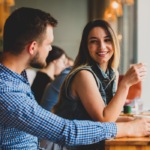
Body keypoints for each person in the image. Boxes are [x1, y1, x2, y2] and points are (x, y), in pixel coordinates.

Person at [0, 7, 150, 150]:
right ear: (32, 47)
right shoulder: (7, 90)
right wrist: (129, 127)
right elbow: (67, 131)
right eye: (49, 43)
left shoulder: (17, 79)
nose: (51, 49)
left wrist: (132, 123)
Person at [52, 19, 147, 149]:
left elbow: (108, 116)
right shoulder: (83, 75)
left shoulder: (111, 73)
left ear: (114, 43)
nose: (102, 46)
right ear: (86, 46)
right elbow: (105, 121)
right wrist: (125, 84)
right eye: (94, 41)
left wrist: (135, 122)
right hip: (65, 146)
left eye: (107, 40)